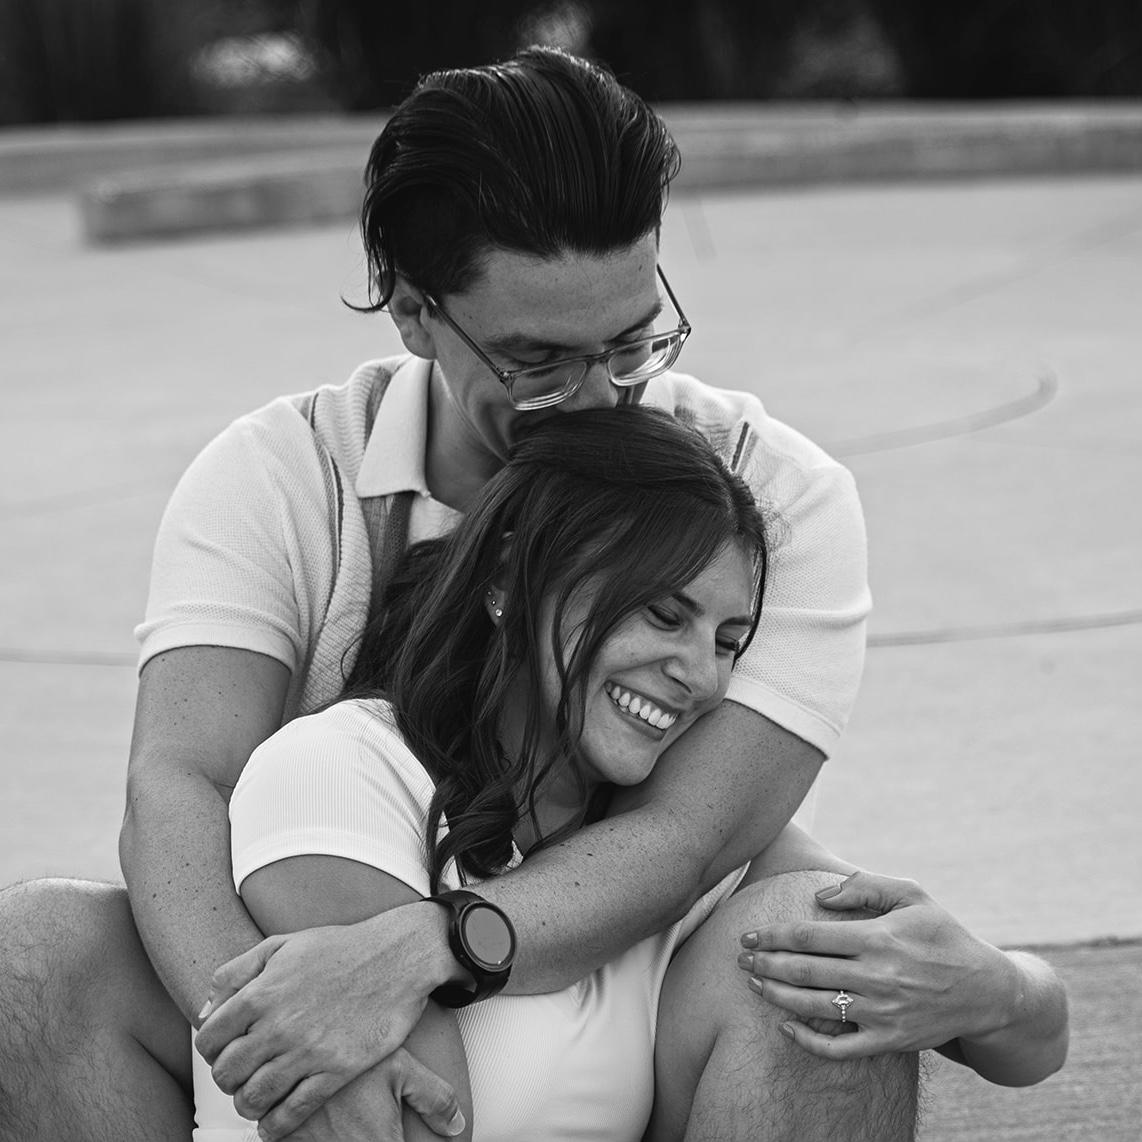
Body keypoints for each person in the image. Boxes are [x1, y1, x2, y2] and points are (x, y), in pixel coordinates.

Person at [0, 45, 1066, 1142]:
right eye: (538, 362)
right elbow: (181, 781)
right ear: (413, 310)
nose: (601, 399)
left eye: (632, 341)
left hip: (628, 1023)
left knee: (805, 963)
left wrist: (420, 948)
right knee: (35, 955)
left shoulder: (774, 496)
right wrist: (287, 1043)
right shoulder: (281, 478)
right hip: (321, 943)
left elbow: (690, 836)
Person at [194, 404, 774, 1141]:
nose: (701, 677)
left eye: (727, 642)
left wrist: (934, 969)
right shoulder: (338, 771)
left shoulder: (651, 835)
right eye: (663, 615)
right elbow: (414, 1128)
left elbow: (852, 917)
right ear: (511, 581)